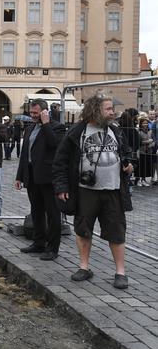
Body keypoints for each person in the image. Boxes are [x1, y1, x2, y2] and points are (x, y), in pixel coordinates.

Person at [52, 94, 133, 289]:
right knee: (83, 229)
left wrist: (129, 165)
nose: (112, 112)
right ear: (95, 110)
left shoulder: (116, 131)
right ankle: (84, 267)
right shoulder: (76, 132)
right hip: (85, 191)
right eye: (108, 109)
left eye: (112, 109)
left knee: (116, 231)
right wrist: (62, 187)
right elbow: (60, 162)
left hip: (113, 190)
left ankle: (120, 272)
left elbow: (128, 154)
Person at [14, 99, 66, 260]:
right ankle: (39, 243)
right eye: (31, 112)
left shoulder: (57, 127)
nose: (32, 115)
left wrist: (45, 124)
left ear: (45, 112)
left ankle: (52, 248)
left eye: (36, 113)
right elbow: (25, 154)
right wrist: (19, 176)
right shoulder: (30, 128)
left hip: (49, 178)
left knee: (52, 214)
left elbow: (54, 145)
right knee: (36, 211)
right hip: (32, 175)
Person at [136, 113, 156, 187]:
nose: (145, 124)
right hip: (141, 151)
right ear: (141, 124)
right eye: (144, 123)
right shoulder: (139, 131)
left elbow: (154, 140)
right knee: (140, 166)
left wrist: (151, 144)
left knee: (146, 166)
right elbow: (138, 142)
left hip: (149, 151)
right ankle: (139, 180)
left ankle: (144, 180)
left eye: (146, 123)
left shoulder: (150, 131)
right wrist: (147, 142)